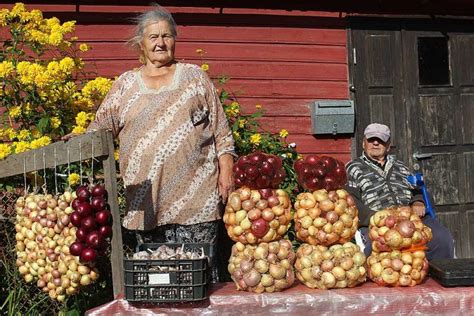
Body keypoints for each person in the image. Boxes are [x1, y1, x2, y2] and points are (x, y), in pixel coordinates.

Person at [64, 5, 235, 281]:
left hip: (197, 200)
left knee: (199, 279)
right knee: (159, 280)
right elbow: (101, 127)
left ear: (175, 40)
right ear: (141, 43)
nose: (160, 42)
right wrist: (82, 137)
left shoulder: (194, 77)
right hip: (147, 203)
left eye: (167, 36)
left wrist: (226, 171)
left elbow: (221, 132)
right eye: (153, 37)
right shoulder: (125, 84)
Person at [345, 123, 454, 260]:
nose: (376, 143)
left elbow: (417, 189)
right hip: (378, 221)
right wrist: (376, 217)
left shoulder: (401, 166)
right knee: (381, 250)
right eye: (371, 139)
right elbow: (351, 201)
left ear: (388, 145)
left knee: (442, 238)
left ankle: (439, 276)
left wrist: (418, 201)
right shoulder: (353, 168)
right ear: (363, 143)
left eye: (381, 140)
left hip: (409, 217)